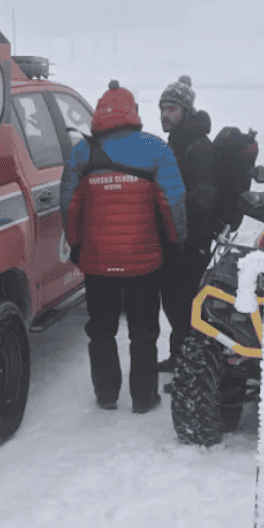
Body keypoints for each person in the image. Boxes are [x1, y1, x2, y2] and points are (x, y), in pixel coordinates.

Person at [60, 81, 187, 413]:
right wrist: (175, 242)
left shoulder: (82, 152)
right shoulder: (156, 148)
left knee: (101, 330)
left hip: (97, 261)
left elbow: (69, 207)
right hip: (143, 261)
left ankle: (106, 395)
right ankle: (144, 399)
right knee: (143, 331)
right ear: (134, 113)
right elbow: (173, 203)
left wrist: (76, 245)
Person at [156, 75, 218, 372]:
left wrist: (170, 208)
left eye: (172, 108)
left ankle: (191, 366)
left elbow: (204, 196)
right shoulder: (178, 143)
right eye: (163, 108)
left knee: (185, 303)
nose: (165, 115)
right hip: (177, 234)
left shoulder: (198, 147)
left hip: (192, 238)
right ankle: (180, 357)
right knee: (174, 301)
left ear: (186, 111)